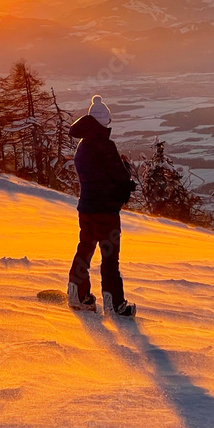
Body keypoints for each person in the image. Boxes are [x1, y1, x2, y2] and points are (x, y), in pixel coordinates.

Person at [67, 96, 137, 316]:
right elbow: (121, 177)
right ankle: (114, 304)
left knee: (85, 249)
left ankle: (78, 294)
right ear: (105, 120)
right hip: (106, 211)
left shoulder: (82, 146)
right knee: (109, 257)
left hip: (86, 208)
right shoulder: (106, 146)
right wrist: (125, 166)